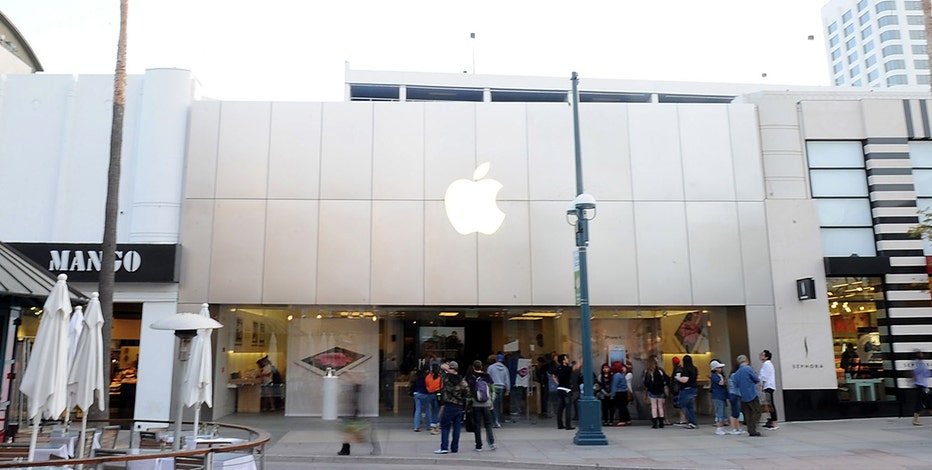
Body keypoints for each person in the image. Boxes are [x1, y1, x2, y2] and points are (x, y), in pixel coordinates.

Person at [434, 360, 470, 454]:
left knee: (445, 427)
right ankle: (455, 448)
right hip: (459, 406)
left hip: (449, 405)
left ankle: (444, 447)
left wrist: (445, 368)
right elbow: (467, 393)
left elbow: (440, 371)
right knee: (457, 428)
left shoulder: (446, 379)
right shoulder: (462, 382)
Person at [466, 360, 496, 452]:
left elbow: (469, 393)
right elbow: (493, 390)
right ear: (482, 367)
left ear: (474, 367)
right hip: (487, 404)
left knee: (477, 425)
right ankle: (491, 443)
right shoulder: (487, 376)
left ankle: (479, 446)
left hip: (476, 404)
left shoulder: (471, 378)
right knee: (488, 424)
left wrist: (469, 405)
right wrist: (491, 402)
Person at [733, 354, 763, 437]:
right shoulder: (748, 368)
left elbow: (735, 383)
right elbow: (756, 379)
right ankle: (752, 429)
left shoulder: (737, 373)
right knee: (757, 411)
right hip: (752, 393)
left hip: (743, 395)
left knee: (748, 413)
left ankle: (750, 430)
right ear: (746, 360)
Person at [553, 353, 582, 430]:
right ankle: (568, 425)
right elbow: (576, 367)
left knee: (561, 408)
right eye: (566, 358)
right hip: (566, 390)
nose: (568, 360)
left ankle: (560, 424)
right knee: (568, 408)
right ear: (563, 361)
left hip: (560, 389)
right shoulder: (567, 368)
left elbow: (553, 376)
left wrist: (558, 383)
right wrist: (580, 360)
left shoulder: (558, 368)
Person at [674, 354, 699, 429]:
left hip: (686, 389)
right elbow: (697, 377)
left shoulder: (685, 369)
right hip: (694, 388)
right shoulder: (694, 368)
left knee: (683, 405)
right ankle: (693, 422)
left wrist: (677, 377)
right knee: (690, 406)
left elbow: (685, 380)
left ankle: (691, 422)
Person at [642, 355, 667, 429]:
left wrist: (649, 388)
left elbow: (646, 383)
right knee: (660, 407)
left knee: (654, 407)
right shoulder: (660, 370)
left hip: (652, 391)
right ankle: (661, 423)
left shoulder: (648, 371)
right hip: (660, 391)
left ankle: (655, 423)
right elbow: (666, 379)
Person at [487, 353, 510, 428]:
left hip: (493, 387)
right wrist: (508, 390)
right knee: (499, 405)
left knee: (492, 405)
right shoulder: (505, 368)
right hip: (501, 388)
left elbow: (487, 377)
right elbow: (507, 380)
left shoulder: (491, 367)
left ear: (496, 359)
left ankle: (495, 421)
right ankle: (498, 421)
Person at [759, 349, 779, 430]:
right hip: (768, 386)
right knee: (768, 404)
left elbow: (764, 376)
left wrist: (762, 386)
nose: (761, 356)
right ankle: (770, 421)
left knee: (770, 404)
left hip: (768, 386)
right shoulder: (766, 364)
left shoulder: (767, 364)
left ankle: (774, 423)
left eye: (763, 355)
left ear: (766, 357)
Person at [412, 365, 434, 432]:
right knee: (427, 409)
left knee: (418, 410)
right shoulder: (427, 378)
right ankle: (429, 425)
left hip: (416, 394)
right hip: (425, 394)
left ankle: (416, 426)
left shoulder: (416, 377)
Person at [913, 350, 932, 426]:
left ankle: (915, 419)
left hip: (922, 385)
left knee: (928, 402)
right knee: (922, 402)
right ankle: (915, 419)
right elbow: (925, 373)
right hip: (921, 385)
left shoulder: (919, 364)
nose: (923, 355)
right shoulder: (919, 364)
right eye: (921, 354)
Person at [709, 359, 728, 435]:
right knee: (720, 412)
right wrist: (722, 378)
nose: (721, 369)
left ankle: (722, 428)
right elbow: (721, 383)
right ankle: (719, 428)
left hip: (722, 395)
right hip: (718, 396)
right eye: (719, 368)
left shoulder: (718, 376)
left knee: (722, 411)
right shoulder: (714, 376)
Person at [610, 361, 631, 426]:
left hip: (619, 393)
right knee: (624, 406)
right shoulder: (622, 375)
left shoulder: (616, 375)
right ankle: (627, 419)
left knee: (620, 407)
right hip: (624, 392)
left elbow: (614, 385)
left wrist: (612, 395)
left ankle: (622, 420)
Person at [425, 363, 443, 434]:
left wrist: (430, 390)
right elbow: (442, 386)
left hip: (430, 394)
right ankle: (434, 426)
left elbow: (426, 385)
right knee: (437, 410)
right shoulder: (440, 377)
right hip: (438, 394)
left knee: (432, 410)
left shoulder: (428, 377)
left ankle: (436, 426)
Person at [727, 364, 744, 435]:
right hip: (735, 394)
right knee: (734, 412)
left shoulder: (732, 375)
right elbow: (738, 384)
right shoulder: (734, 375)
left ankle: (737, 428)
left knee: (736, 412)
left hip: (736, 394)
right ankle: (734, 428)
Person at [669, 356, 685, 426]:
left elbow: (677, 380)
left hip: (677, 389)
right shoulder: (680, 369)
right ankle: (682, 419)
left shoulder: (677, 370)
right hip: (679, 389)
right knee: (680, 405)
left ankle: (682, 419)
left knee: (680, 405)